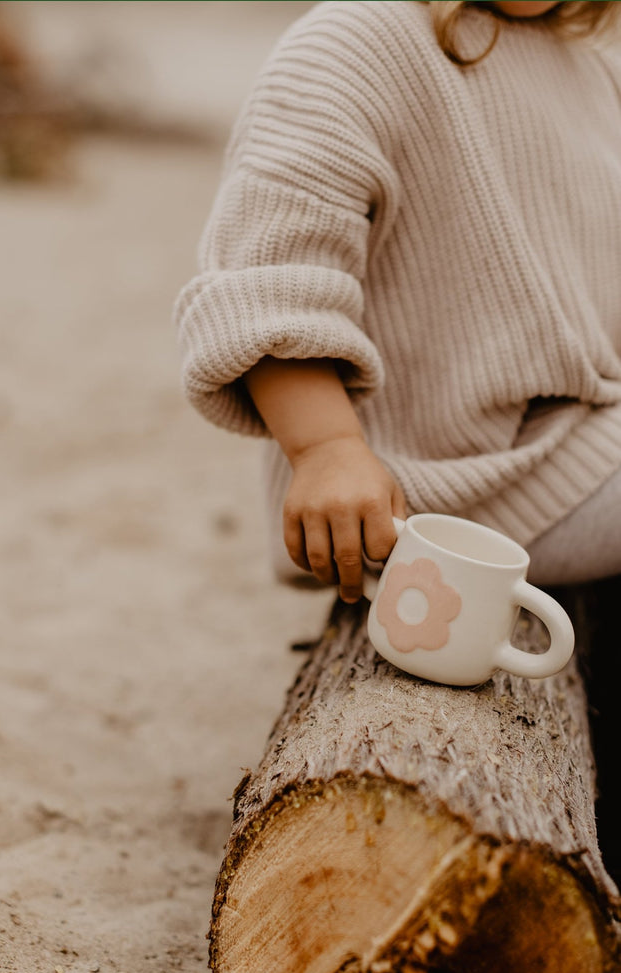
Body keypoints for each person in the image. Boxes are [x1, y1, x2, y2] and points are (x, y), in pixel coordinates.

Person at [174, 0, 621, 871]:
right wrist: (328, 448)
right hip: (462, 486)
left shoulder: (586, 58)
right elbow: (269, 275)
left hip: (585, 443)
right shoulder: (357, 43)